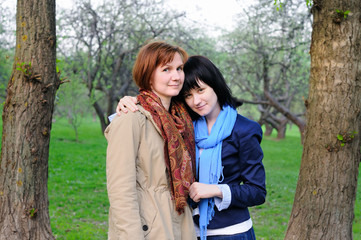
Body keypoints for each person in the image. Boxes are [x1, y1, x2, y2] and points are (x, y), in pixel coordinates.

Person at [117, 55, 266, 240]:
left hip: (231, 232)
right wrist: (129, 102)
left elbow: (257, 192)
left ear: (216, 85)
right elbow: (152, 114)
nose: (196, 101)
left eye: (201, 90)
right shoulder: (183, 125)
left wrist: (214, 190)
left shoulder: (244, 130)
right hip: (187, 231)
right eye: (188, 95)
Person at [105, 41, 197, 239]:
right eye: (166, 69)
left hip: (181, 221)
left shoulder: (180, 118)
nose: (176, 76)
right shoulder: (130, 118)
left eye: (179, 68)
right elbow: (121, 190)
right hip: (150, 226)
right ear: (148, 75)